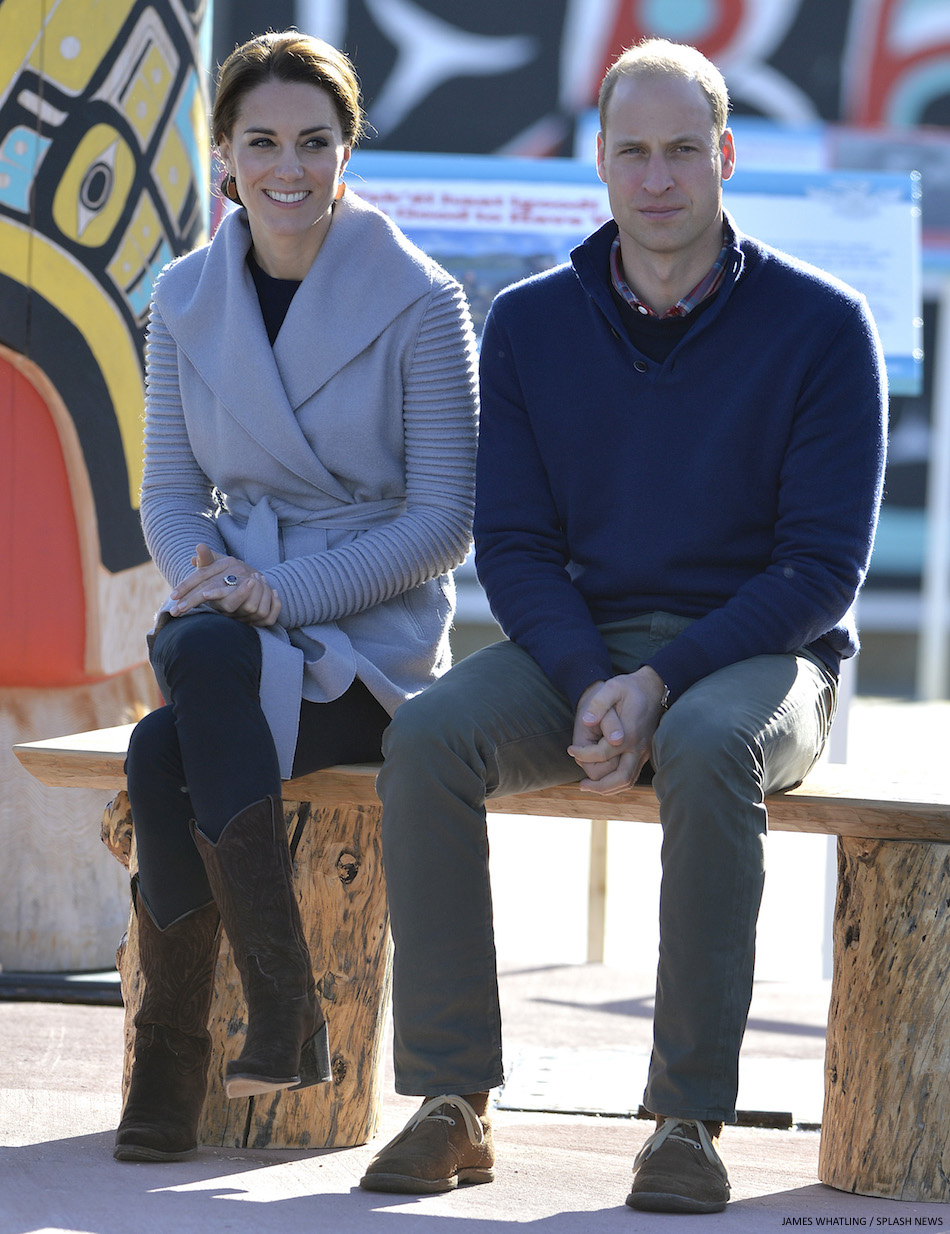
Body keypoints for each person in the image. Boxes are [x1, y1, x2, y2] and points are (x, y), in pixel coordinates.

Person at [360, 38, 886, 1213]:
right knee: (428, 735)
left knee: (705, 746)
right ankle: (453, 1099)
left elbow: (820, 569)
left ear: (725, 157)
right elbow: (516, 546)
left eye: (682, 150)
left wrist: (662, 682)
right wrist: (596, 675)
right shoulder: (534, 323)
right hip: (580, 648)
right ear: (597, 163)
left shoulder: (820, 326)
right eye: (632, 152)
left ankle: (685, 1119)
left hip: (760, 653)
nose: (657, 178)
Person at [113, 30, 478, 1163]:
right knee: (204, 661)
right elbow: (169, 492)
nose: (289, 167)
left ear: (346, 151)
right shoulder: (180, 297)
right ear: (221, 156)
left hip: (366, 631)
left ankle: (181, 1059)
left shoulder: (423, 301)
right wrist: (210, 578)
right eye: (261, 141)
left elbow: (441, 523)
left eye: (315, 142)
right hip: (234, 598)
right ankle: (277, 1010)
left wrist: (276, 593)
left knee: (157, 753)